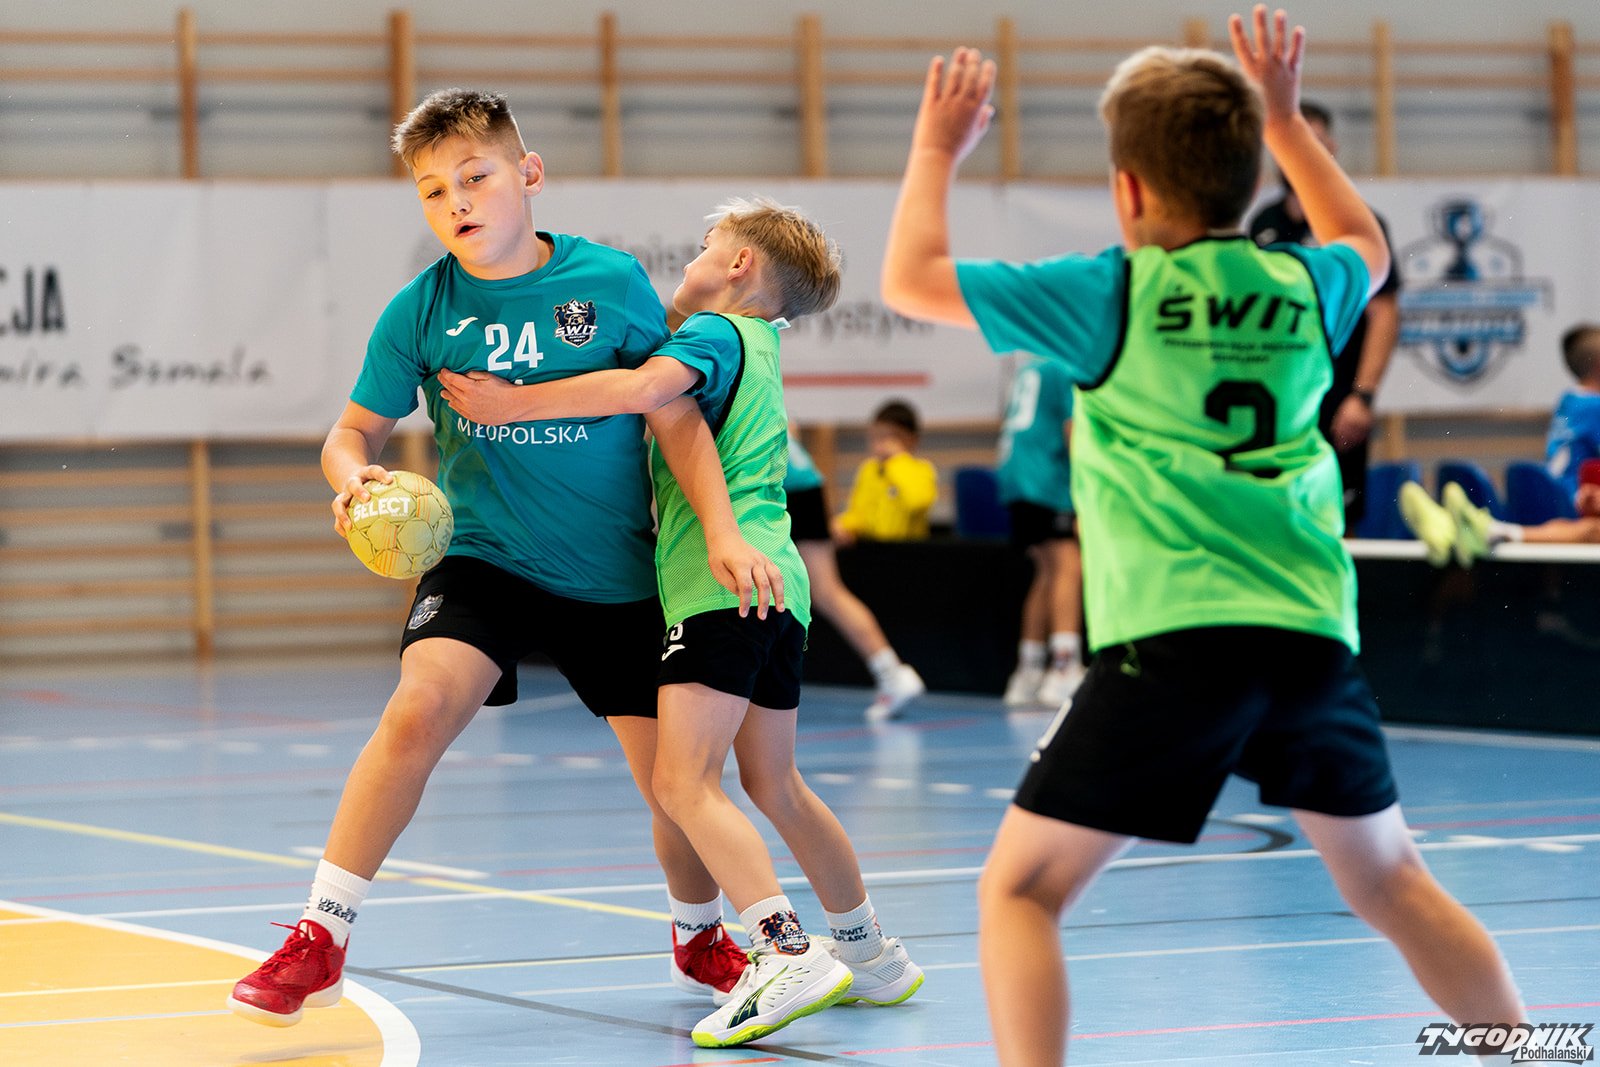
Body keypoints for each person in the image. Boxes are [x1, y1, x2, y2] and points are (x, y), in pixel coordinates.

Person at [879, 9, 1525, 1066]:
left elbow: (911, 278)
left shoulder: (1113, 292)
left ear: (1128, 190)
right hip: (1311, 632)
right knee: (1390, 880)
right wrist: (1287, 119)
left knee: (1021, 890)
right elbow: (1366, 243)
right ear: (1253, 173)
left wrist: (936, 147)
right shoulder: (1308, 284)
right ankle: (1531, 1052)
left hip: (1175, 639)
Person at [227, 88, 756, 1028]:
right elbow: (352, 431)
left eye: (474, 177)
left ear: (528, 173)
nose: (457, 201)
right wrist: (353, 478)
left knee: (674, 785)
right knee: (417, 711)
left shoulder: (610, 281)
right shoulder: (421, 308)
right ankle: (321, 934)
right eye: (434, 191)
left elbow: (670, 412)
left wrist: (718, 530)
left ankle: (699, 931)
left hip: (614, 574)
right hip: (484, 556)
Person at [438, 195, 925, 1049]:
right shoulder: (760, 343)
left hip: (718, 583)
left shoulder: (715, 333)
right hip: (779, 584)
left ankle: (784, 950)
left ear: (739, 264)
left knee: (683, 781)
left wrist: (513, 404)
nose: (691, 260)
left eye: (706, 246)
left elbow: (640, 389)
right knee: (777, 783)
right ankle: (870, 951)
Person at [1249, 99, 1401, 533]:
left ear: (1330, 148)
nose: (1301, 151)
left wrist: (1363, 396)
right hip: (1279, 402)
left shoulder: (1359, 225)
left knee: (1338, 522)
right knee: (1275, 518)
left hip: (1340, 400)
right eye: (1290, 140)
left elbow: (1384, 313)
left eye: (1312, 141)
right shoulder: (1263, 223)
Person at [1400, 324, 1600, 566]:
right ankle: (1476, 531)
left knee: (1591, 529)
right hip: (1571, 501)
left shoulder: (1569, 401)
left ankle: (1457, 531)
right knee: (1591, 529)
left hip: (1557, 498)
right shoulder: (1594, 407)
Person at [784, 424, 926, 722]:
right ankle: (891, 672)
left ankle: (731, 688)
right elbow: (791, 428)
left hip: (776, 484)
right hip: (805, 482)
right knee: (827, 592)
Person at [996, 355, 1084, 709]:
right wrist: (1085, 496)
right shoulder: (1066, 365)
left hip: (1016, 479)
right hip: (1046, 481)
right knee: (1069, 568)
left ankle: (1028, 674)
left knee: (1046, 572)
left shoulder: (1032, 366)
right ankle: (1063, 669)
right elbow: (1074, 432)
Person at [831, 400, 939, 543]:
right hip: (871, 547)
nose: (882, 444)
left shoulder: (922, 469)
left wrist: (897, 461)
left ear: (912, 440)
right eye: (877, 436)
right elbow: (858, 513)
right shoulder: (869, 470)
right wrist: (844, 525)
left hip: (907, 549)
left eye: (891, 437)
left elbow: (918, 503)